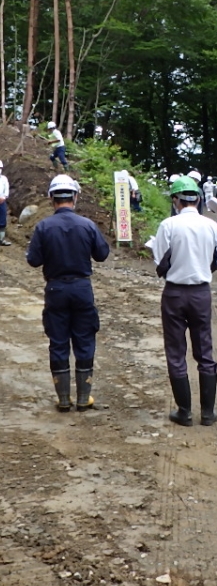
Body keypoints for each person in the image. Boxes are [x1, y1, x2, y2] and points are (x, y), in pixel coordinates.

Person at [26, 175, 110, 412]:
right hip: (82, 288)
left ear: (52, 198)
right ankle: (84, 398)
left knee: (58, 341)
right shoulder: (87, 225)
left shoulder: (43, 227)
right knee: (84, 339)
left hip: (55, 289)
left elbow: (33, 260)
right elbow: (102, 254)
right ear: (74, 197)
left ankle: (63, 399)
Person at [153, 176, 217, 427]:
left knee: (176, 351)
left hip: (174, 293)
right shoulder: (211, 226)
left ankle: (185, 411)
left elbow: (160, 263)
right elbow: (216, 260)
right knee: (205, 350)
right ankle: (207, 412)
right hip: (201, 293)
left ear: (176, 200)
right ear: (198, 199)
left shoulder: (168, 225)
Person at [0, 161, 11, 246]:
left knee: (2, 220)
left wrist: (4, 197)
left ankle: (1, 239)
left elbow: (6, 189)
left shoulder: (4, 179)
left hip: (2, 201)